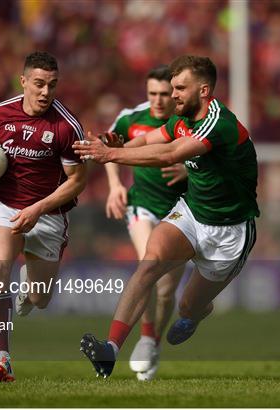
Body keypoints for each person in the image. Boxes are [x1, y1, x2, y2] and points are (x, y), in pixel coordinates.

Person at [74, 55, 259, 378]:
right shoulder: (181, 119)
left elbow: (171, 153)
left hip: (230, 232)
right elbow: (151, 140)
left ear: (203, 91)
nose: (173, 95)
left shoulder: (219, 123)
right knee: (149, 264)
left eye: (179, 88)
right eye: (171, 88)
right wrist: (125, 145)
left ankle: (197, 311)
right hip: (191, 213)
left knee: (188, 307)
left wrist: (112, 155)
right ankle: (110, 350)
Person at [0, 51, 86, 382]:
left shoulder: (67, 126)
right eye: (38, 84)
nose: (45, 92)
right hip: (5, 207)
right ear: (23, 81)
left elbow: (77, 182)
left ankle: (28, 290)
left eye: (52, 85)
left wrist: (38, 209)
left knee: (40, 299)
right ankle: (3, 357)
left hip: (49, 213)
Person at [104, 65, 188, 381]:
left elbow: (216, 160)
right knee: (147, 264)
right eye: (152, 93)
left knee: (167, 291)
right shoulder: (130, 119)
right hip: (142, 206)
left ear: (176, 94)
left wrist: (189, 173)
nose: (158, 100)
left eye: (165, 94)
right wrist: (115, 185)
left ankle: (151, 341)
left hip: (181, 212)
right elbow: (109, 150)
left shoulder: (189, 120)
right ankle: (145, 335)